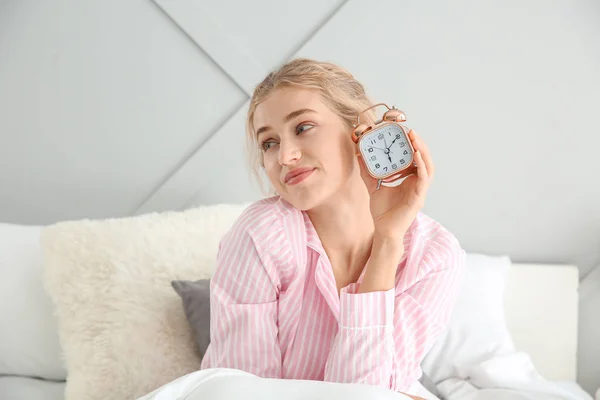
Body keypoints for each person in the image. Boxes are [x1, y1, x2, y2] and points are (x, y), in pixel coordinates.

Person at [199, 57, 466, 399]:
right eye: (269, 143)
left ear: (359, 130)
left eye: (303, 127)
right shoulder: (261, 235)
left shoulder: (436, 256)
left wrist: (387, 243)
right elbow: (243, 392)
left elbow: (367, 393)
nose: (284, 156)